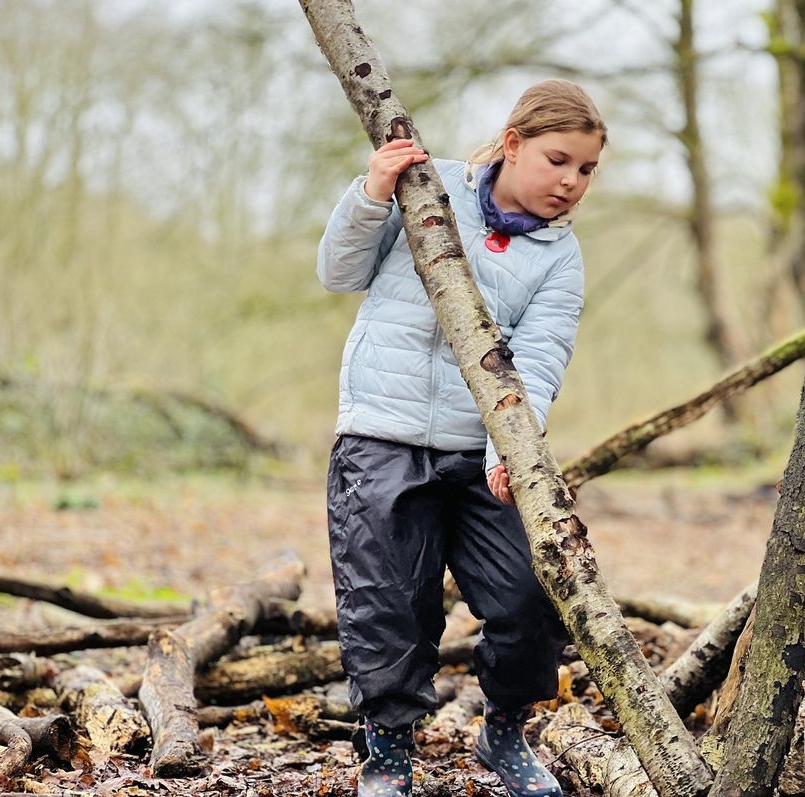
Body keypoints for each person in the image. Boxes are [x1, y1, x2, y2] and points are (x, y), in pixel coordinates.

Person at [317, 79, 607, 797]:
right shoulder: (428, 187)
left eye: (587, 170)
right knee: (389, 605)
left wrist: (508, 447)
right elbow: (338, 271)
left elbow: (537, 363)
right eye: (557, 160)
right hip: (380, 436)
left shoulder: (559, 260)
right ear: (512, 144)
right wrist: (373, 191)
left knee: (528, 592)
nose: (571, 182)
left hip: (484, 455)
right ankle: (387, 755)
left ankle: (503, 732)